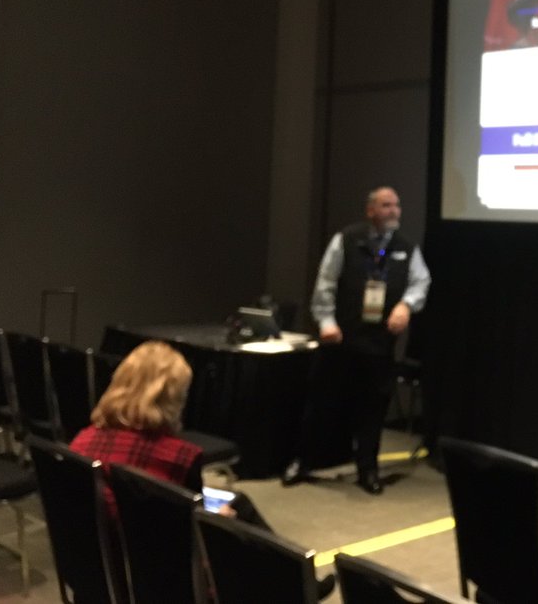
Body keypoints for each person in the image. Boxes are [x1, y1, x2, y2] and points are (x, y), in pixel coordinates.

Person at [71, 340, 336, 599]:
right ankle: (297, 582)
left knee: (240, 503)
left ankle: (300, 579)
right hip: (157, 579)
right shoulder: (178, 456)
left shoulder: (82, 442)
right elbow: (189, 543)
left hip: (95, 571)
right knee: (236, 531)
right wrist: (216, 523)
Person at [282, 186, 431, 494]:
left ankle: (368, 469)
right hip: (341, 337)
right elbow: (325, 282)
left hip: (380, 342)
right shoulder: (347, 239)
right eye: (386, 205)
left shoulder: (406, 247)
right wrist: (326, 321)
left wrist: (406, 305)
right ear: (370, 210)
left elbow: (421, 281)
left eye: (397, 205)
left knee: (373, 408)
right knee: (321, 403)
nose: (394, 211)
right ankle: (302, 461)